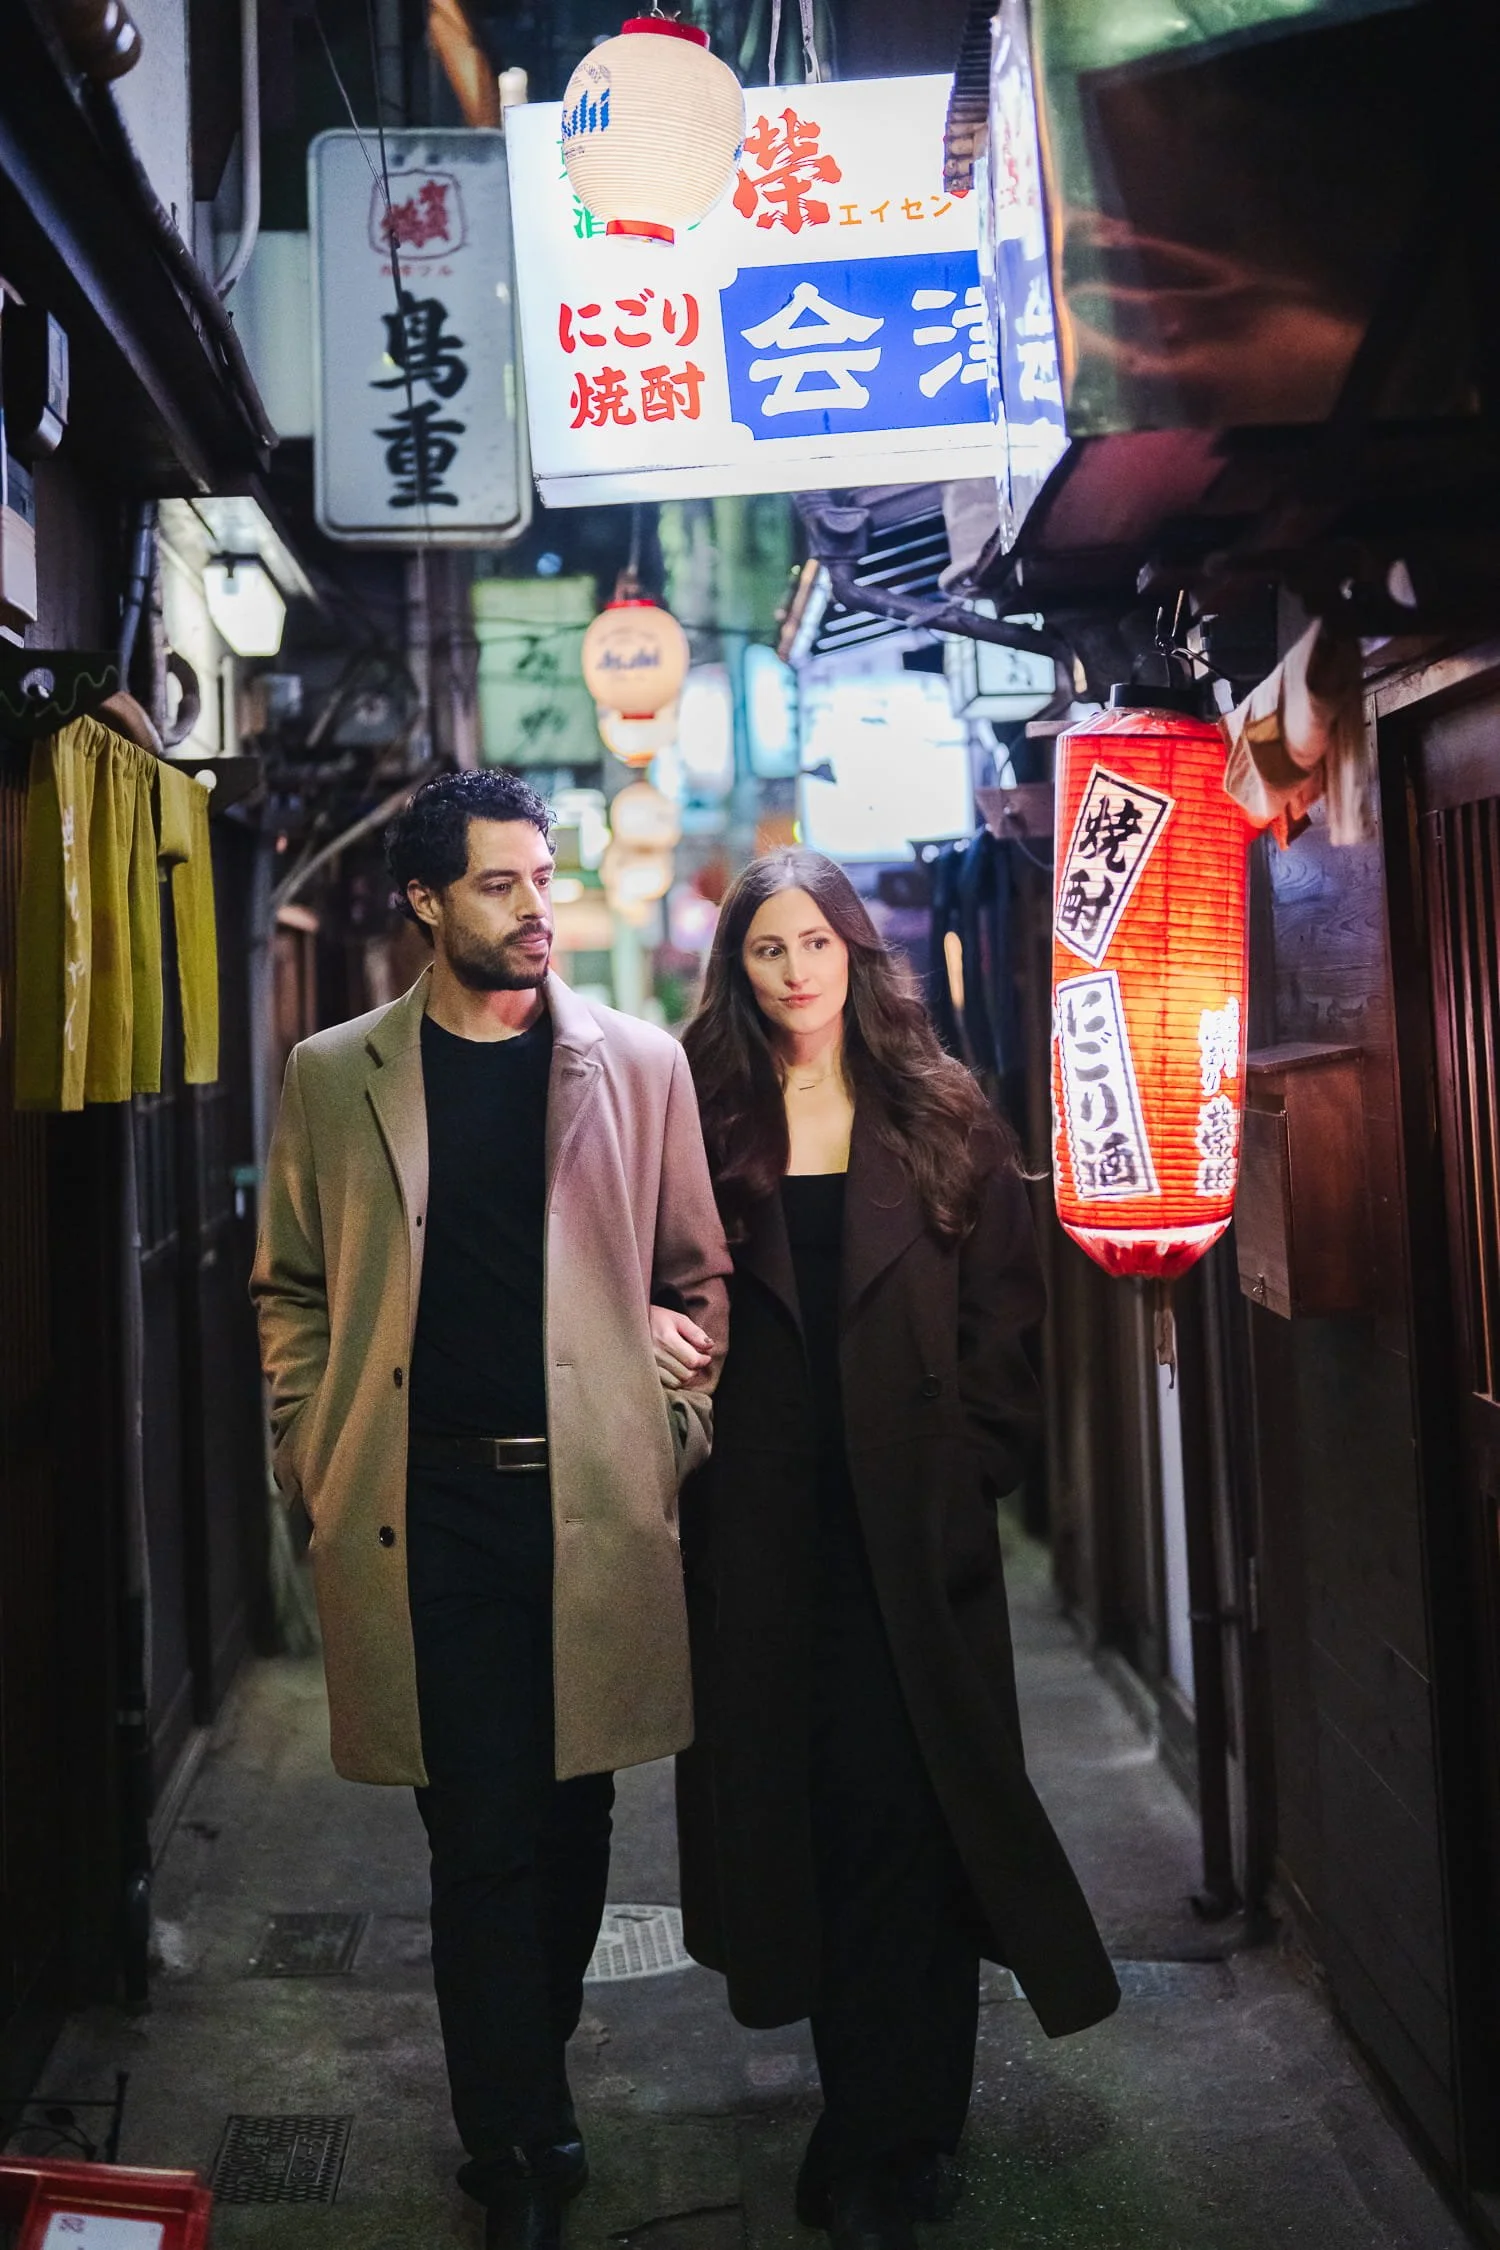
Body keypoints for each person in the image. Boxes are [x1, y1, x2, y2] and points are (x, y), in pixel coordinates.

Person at [252, 769, 730, 2250]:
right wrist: (311, 1454)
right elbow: (291, 1289)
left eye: (542, 877)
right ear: (424, 902)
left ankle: (530, 2069)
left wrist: (675, 1414)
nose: (538, 909)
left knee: (576, 1809)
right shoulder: (339, 1075)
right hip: (420, 1507)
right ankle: (512, 2141)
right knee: (477, 1829)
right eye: (501, 884)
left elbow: (697, 1277)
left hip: (584, 1499)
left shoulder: (636, 1065)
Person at [653, 849, 1119, 2250]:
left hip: (916, 1547)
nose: (796, 972)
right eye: (768, 950)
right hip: (765, 1540)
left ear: (859, 954)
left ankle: (894, 2137)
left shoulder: (940, 1112)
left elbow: (1012, 1330)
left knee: (921, 1831)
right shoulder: (698, 1112)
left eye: (817, 943)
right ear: (736, 970)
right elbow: (639, 1273)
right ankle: (881, 2123)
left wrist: (974, 1465)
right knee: (817, 1823)